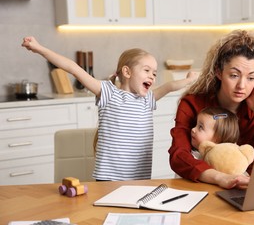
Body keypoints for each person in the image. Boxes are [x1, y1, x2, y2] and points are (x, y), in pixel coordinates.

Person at [22, 36, 198, 181]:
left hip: (139, 178)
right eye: (146, 70)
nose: (152, 76)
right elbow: (74, 69)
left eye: (154, 73)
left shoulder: (147, 99)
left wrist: (188, 80)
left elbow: (169, 86)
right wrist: (39, 48)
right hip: (108, 178)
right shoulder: (108, 92)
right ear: (127, 72)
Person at [168, 30, 254, 189]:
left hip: (244, 188)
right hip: (201, 184)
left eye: (251, 78)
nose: (242, 86)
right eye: (234, 75)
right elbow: (179, 156)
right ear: (219, 71)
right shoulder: (192, 103)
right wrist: (221, 178)